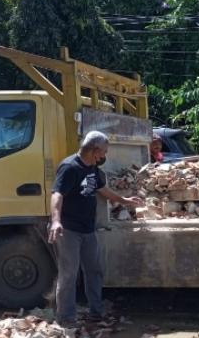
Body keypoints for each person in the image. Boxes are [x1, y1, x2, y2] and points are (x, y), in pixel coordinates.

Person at [48, 131, 143, 327]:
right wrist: (56, 221)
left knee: (94, 270)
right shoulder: (69, 167)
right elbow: (57, 195)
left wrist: (124, 200)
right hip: (69, 230)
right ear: (95, 150)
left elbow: (103, 190)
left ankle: (96, 311)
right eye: (104, 152)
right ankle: (66, 318)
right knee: (69, 274)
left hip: (88, 229)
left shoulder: (92, 167)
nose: (104, 156)